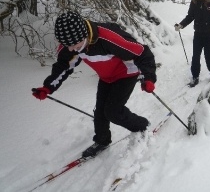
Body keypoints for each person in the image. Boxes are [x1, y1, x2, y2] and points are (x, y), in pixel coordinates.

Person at [32, 11, 157, 157]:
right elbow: (64, 66)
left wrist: (148, 78)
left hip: (126, 74)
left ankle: (142, 126)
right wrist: (48, 87)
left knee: (113, 112)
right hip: (106, 77)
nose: (70, 49)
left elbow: (142, 53)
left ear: (83, 36)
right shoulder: (70, 43)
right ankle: (102, 141)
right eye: (66, 45)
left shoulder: (109, 38)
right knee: (100, 112)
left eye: (73, 45)